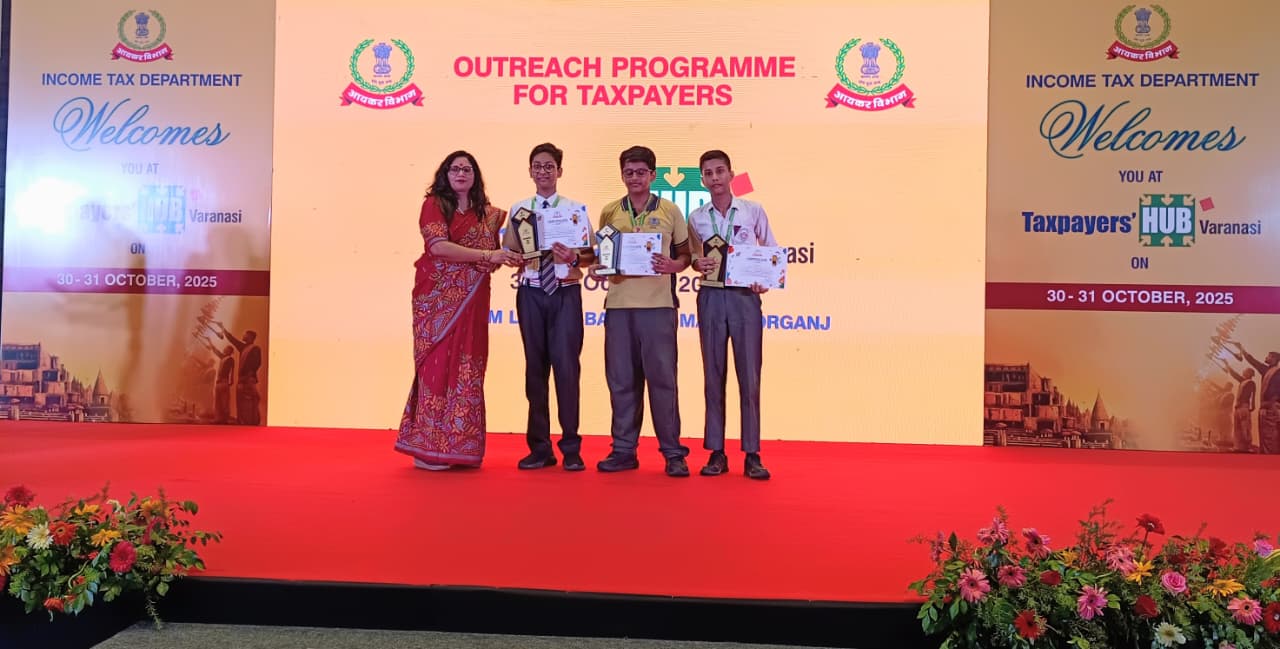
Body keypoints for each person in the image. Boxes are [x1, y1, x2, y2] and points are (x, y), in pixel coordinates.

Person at [395, 151, 521, 470]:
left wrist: (501, 257)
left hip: (474, 302)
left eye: (467, 169)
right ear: (445, 174)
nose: (461, 173)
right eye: (455, 168)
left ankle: (460, 447)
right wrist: (486, 255)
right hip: (437, 300)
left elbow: (493, 258)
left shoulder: (488, 215)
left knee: (469, 367)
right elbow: (437, 247)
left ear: (476, 175)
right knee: (436, 369)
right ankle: (428, 450)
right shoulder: (435, 204)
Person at [588, 146, 692, 477]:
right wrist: (597, 269)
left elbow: (685, 256)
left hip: (658, 307)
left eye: (641, 172)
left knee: (663, 380)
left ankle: (673, 452)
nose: (635, 178)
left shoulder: (671, 211)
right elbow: (599, 257)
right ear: (622, 175)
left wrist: (673, 264)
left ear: (653, 175)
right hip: (619, 306)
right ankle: (623, 450)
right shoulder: (609, 212)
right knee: (621, 381)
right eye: (629, 172)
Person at [504, 143, 593, 471]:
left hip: (565, 293)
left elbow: (591, 255)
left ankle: (571, 447)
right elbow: (509, 251)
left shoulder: (575, 210)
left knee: (568, 371)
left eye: (549, 166)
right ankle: (540, 447)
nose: (543, 171)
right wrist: (513, 257)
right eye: (537, 166)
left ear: (560, 171)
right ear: (530, 171)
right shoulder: (519, 210)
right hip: (531, 292)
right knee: (534, 370)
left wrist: (572, 257)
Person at [686, 150, 774, 480]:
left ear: (731, 174)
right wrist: (698, 264)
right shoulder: (696, 217)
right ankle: (716, 452)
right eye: (708, 173)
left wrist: (763, 279)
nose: (715, 178)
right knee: (713, 375)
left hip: (743, 299)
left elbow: (771, 250)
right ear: (703, 179)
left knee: (749, 377)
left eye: (720, 171)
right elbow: (693, 257)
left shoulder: (753, 211)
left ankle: (752, 453)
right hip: (710, 297)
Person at [1230, 341, 1280, 454]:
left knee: (1271, 438)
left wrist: (1274, 403)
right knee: (1264, 438)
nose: (1265, 358)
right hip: (1265, 411)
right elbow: (1253, 361)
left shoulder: (1277, 372)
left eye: (1268, 356)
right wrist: (1242, 349)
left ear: (1274, 359)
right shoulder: (1266, 370)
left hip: (1272, 411)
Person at [213, 322, 262, 425]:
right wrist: (223, 328)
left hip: (248, 380)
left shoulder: (255, 349)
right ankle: (243, 422)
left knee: (250, 401)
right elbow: (232, 339)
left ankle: (252, 422)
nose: (243, 336)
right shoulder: (243, 347)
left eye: (245, 334)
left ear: (250, 337)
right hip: (242, 380)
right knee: (241, 403)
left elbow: (256, 363)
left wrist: (248, 376)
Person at [1217, 358, 1256, 452]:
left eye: (1245, 371)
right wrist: (1227, 364)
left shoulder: (1250, 383)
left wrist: (1248, 405)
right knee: (1238, 429)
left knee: (1245, 428)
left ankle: (1246, 447)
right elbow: (1234, 374)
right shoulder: (1243, 381)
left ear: (1250, 374)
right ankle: (1238, 447)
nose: (1243, 372)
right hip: (1239, 408)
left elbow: (1248, 396)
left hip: (1243, 407)